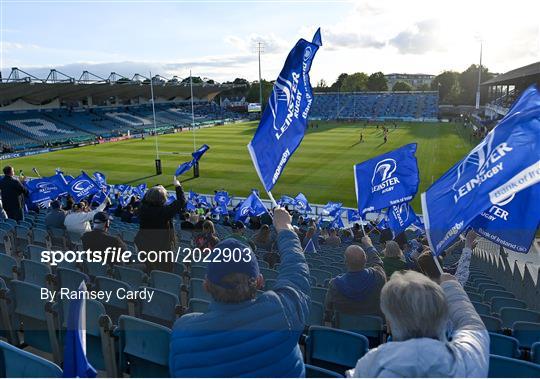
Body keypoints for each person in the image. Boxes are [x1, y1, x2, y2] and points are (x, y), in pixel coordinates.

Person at [169, 208, 310, 377]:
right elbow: (296, 270)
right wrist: (285, 228)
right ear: (259, 282)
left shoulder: (182, 332)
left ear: (206, 285)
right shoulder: (282, 312)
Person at [348, 271, 489, 377]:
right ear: (443, 315)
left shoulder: (370, 363)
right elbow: (472, 325)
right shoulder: (467, 358)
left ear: (390, 321)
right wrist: (451, 285)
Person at [325, 236, 386, 317]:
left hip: (344, 328)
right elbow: (377, 262)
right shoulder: (378, 276)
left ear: (345, 262)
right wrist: (368, 245)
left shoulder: (334, 284)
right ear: (365, 260)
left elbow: (328, 308)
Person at [135, 177, 186, 272]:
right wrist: (178, 186)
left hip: (145, 245)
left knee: (150, 268)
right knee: (166, 270)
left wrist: (156, 190)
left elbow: (145, 199)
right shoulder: (164, 212)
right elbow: (181, 202)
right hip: (162, 248)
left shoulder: (142, 209)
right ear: (162, 199)